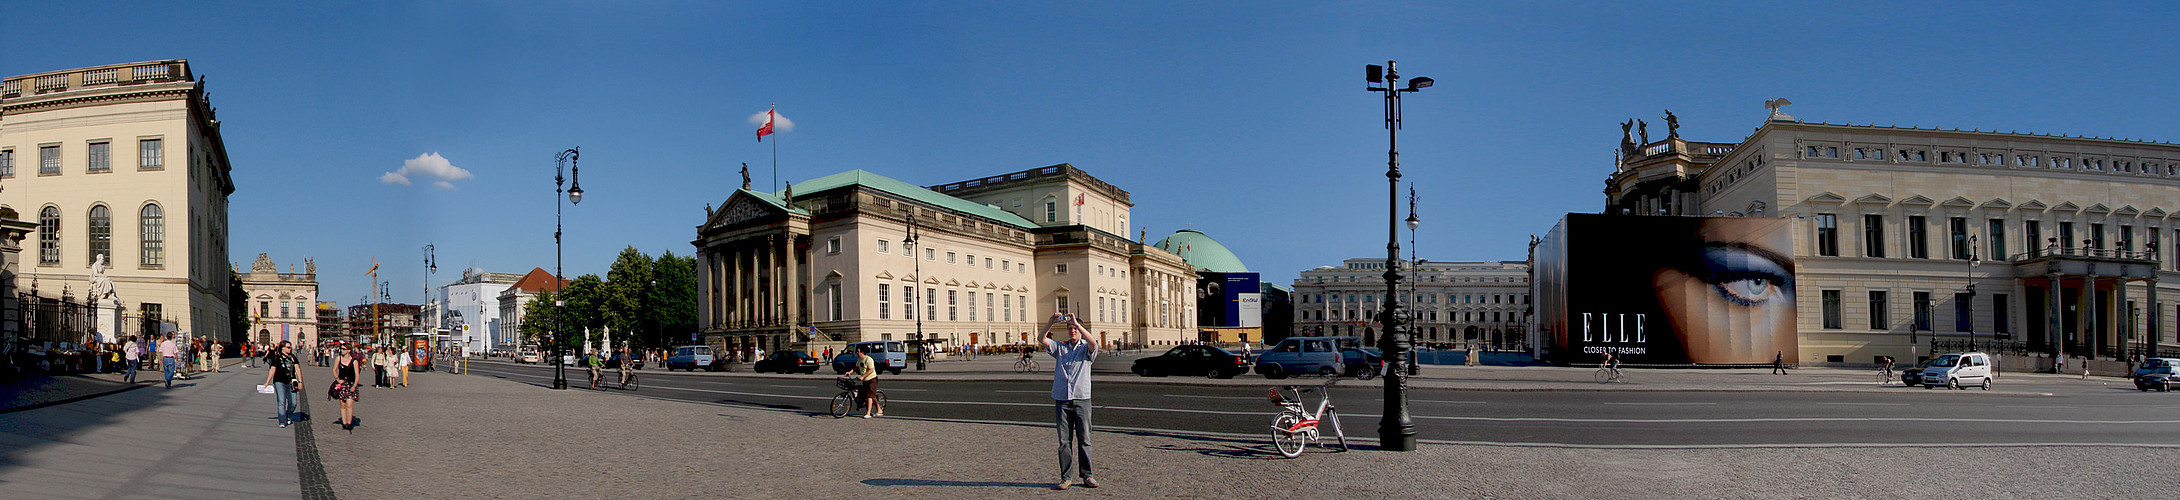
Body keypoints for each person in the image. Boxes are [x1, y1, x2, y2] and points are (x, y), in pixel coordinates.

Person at [1040, 313, 1098, 490]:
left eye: (1075, 328)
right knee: (1064, 442)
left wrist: (1079, 325)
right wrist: (1050, 321)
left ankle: (1087, 475)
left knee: (1084, 439)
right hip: (1062, 399)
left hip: (1081, 399)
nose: (1072, 331)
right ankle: (1066, 477)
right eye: (1070, 328)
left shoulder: (1085, 348)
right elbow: (1041, 338)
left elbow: (1094, 343)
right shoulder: (1061, 348)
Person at [263, 341, 300, 427]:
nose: (290, 349)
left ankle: (289, 414)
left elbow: (297, 369)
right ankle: (282, 421)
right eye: (288, 347)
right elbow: (272, 370)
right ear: (282, 348)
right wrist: (267, 383)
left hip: (291, 382)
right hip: (279, 381)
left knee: (293, 403)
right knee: (281, 401)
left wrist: (300, 381)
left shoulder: (293, 357)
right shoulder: (277, 358)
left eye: (290, 347)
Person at [333, 345, 361, 430]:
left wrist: (354, 386)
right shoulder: (338, 359)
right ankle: (344, 423)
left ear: (349, 350)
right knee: (343, 404)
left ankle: (349, 423)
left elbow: (357, 375)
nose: (341, 350)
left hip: (351, 384)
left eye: (344, 349)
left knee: (349, 404)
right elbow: (334, 370)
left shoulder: (354, 361)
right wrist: (337, 379)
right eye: (341, 349)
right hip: (342, 383)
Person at [853, 347, 881, 418]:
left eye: (858, 351)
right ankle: (879, 410)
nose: (857, 352)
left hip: (872, 379)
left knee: (869, 395)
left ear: (862, 352)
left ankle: (868, 413)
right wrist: (849, 372)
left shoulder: (869, 359)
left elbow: (871, 370)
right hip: (865, 380)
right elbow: (856, 367)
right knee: (871, 395)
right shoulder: (859, 360)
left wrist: (863, 376)